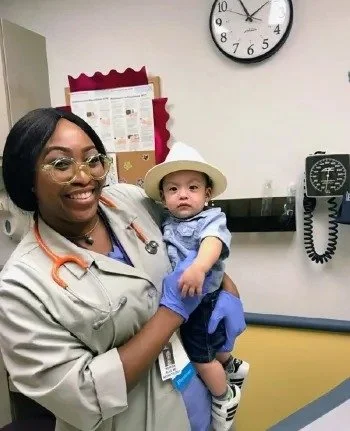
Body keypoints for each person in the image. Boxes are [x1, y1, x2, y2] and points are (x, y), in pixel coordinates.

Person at [0, 108, 246, 431]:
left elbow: (190, 240)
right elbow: (85, 397)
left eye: (92, 159)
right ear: (27, 178)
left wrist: (223, 287)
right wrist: (172, 311)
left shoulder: (130, 202)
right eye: (61, 164)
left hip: (195, 399)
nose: (84, 176)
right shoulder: (20, 287)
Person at [144, 142, 250, 431]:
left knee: (201, 358)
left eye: (192, 188)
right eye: (173, 189)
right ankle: (232, 365)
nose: (183, 195)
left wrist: (199, 268)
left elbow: (213, 242)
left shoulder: (211, 218)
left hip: (202, 302)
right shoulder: (167, 221)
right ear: (163, 197)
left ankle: (224, 397)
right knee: (211, 346)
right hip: (187, 302)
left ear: (207, 194)